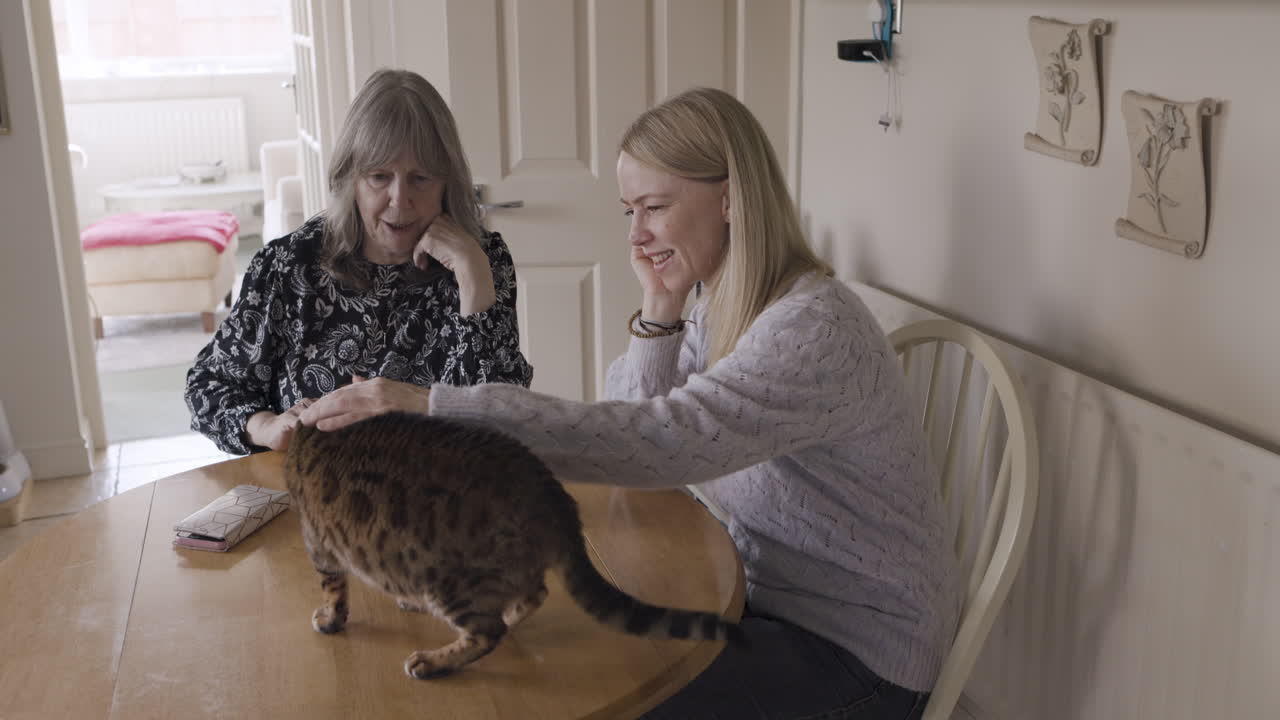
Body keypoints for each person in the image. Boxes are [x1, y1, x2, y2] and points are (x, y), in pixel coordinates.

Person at [304, 86, 958, 719]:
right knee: (578, 669)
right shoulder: (722, 300)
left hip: (854, 653)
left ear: (729, 200)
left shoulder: (811, 328)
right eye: (629, 212)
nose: (636, 235)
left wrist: (436, 405)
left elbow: (657, 443)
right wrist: (662, 307)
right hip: (763, 603)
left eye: (653, 207)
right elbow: (639, 449)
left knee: (605, 699)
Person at [186, 69, 532, 455]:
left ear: (448, 182)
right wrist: (266, 426)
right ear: (350, 178)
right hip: (316, 497)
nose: (400, 200)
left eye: (420, 178)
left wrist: (473, 278)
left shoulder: (483, 260)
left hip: (443, 496)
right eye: (379, 177)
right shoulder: (288, 266)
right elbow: (208, 385)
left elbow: (505, 419)